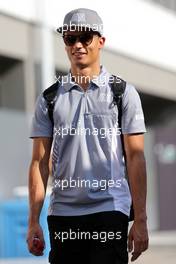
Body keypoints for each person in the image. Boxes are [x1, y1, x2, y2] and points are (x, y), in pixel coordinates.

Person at [26, 8, 149, 264]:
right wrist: (32, 221)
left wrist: (141, 220)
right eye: (71, 39)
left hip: (110, 209)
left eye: (85, 38)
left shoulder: (123, 93)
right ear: (65, 43)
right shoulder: (49, 99)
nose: (78, 45)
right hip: (63, 213)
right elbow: (39, 163)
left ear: (101, 41)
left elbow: (136, 158)